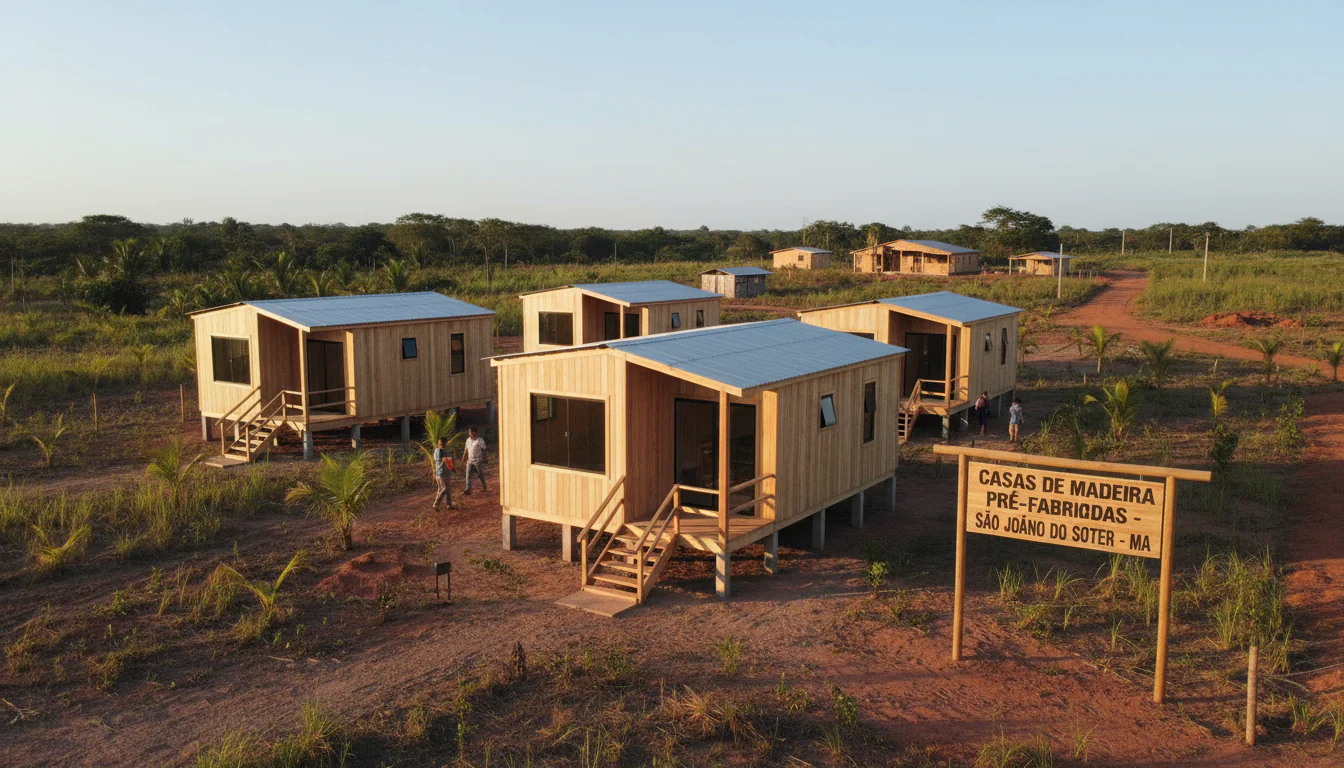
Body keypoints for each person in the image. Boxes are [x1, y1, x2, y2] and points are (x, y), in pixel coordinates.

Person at [463, 427, 488, 495]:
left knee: (480, 474)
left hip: (478, 460)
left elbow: (484, 450)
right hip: (470, 460)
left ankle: (484, 486)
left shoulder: (480, 440)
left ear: (474, 432)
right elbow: (466, 449)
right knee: (468, 474)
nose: (469, 433)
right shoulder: (468, 440)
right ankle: (467, 488)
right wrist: (464, 458)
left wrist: (485, 458)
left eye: (470, 432)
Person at [431, 437, 455, 510]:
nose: (440, 445)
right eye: (439, 444)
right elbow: (441, 460)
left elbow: (449, 461)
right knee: (444, 489)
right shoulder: (439, 451)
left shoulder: (445, 451)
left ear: (445, 443)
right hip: (441, 473)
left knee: (445, 489)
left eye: (441, 444)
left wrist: (452, 468)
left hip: (444, 472)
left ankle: (449, 505)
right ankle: (436, 504)